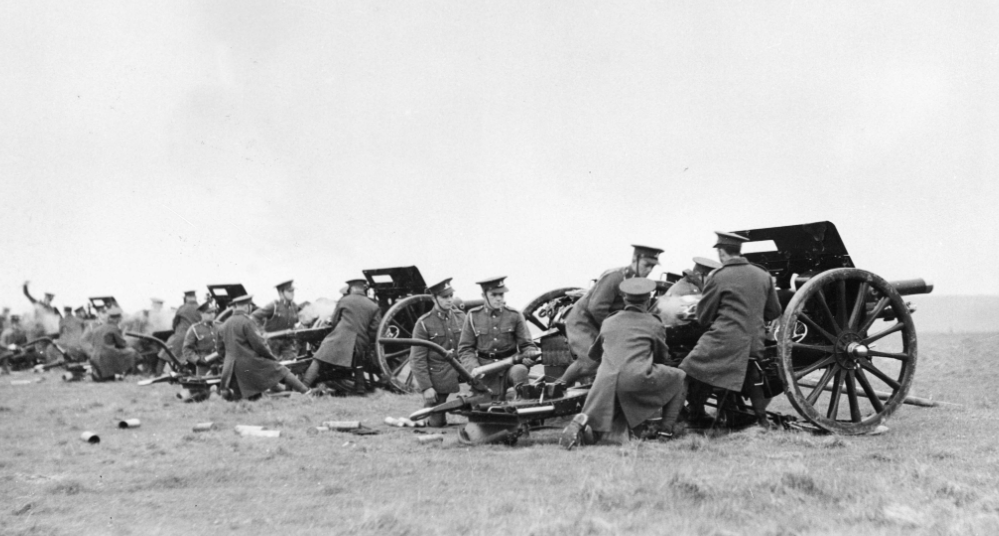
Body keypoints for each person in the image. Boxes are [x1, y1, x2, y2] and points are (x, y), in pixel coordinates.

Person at [560, 278, 687, 449]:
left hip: (605, 381)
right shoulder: (653, 323)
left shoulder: (609, 321)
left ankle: (584, 426)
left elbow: (594, 353)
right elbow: (661, 356)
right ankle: (666, 431)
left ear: (625, 299)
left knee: (612, 401)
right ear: (648, 300)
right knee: (680, 377)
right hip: (635, 378)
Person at [679, 231, 782, 428]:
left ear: (721, 253)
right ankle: (762, 421)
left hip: (725, 341)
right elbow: (774, 311)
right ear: (739, 250)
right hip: (754, 343)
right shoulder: (763, 275)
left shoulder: (718, 276)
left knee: (687, 369)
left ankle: (679, 421)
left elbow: (703, 316)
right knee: (752, 371)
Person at [557, 245, 663, 386]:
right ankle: (556, 388)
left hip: (603, 323)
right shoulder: (615, 276)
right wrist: (616, 328)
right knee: (590, 361)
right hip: (582, 320)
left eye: (652, 267)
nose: (649, 270)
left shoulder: (638, 282)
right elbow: (596, 308)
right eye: (646, 265)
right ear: (634, 259)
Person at [458, 276, 540, 401]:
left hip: (510, 368)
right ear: (484, 295)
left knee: (520, 371)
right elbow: (465, 349)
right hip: (485, 372)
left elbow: (527, 345)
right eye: (494, 295)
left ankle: (526, 408)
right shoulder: (472, 316)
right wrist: (474, 368)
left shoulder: (515, 315)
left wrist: (529, 357)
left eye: (501, 294)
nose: (499, 298)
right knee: (485, 410)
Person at [218, 295, 311, 399]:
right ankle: (306, 392)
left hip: (230, 368)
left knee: (242, 399)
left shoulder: (224, 325)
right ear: (246, 307)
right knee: (280, 369)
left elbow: (220, 350)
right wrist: (271, 358)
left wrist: (228, 359)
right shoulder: (247, 321)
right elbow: (259, 345)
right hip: (249, 364)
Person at [306, 279, 381, 395]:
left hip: (339, 336)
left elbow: (335, 320)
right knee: (359, 363)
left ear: (351, 288)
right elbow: (375, 329)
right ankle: (359, 389)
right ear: (364, 289)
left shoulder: (344, 300)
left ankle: (303, 387)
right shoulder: (373, 306)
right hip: (360, 341)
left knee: (318, 360)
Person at [409, 278, 466, 427]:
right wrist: (426, 387)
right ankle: (428, 416)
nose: (449, 300)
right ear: (434, 298)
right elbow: (417, 359)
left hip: (465, 370)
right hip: (440, 375)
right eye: (444, 297)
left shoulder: (461, 317)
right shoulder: (424, 323)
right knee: (436, 424)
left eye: (450, 296)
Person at [251, 280, 300, 360]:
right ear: (281, 292)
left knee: (290, 365)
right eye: (289, 291)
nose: (293, 293)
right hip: (272, 343)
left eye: (293, 290)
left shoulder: (294, 307)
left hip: (287, 343)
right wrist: (262, 333)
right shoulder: (273, 306)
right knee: (272, 367)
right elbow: (254, 316)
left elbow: (297, 321)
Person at [89, 307, 138, 381]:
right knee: (132, 352)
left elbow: (93, 343)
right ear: (117, 319)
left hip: (94, 356)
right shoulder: (114, 328)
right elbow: (122, 344)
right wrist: (130, 342)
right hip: (107, 356)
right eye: (120, 319)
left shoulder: (97, 329)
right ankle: (128, 373)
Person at [159, 291, 200, 373]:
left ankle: (157, 374)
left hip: (181, 336)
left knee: (163, 354)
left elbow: (175, 323)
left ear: (186, 298)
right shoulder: (200, 308)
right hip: (196, 337)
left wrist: (176, 330)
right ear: (195, 297)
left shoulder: (182, 308)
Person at [183, 301, 220, 375]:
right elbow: (187, 349)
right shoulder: (194, 329)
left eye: (213, 312)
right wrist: (197, 360)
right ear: (201, 314)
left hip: (220, 364)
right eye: (209, 313)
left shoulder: (220, 326)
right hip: (204, 365)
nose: (212, 315)